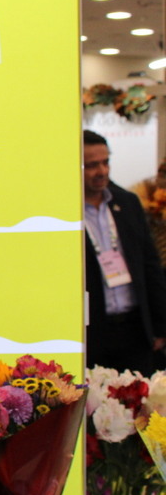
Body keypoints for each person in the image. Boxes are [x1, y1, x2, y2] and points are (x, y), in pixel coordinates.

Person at [83, 129, 166, 374]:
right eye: (92, 165)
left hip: (134, 330)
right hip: (92, 332)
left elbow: (149, 265)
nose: (102, 171)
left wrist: (160, 326)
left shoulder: (127, 202)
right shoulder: (65, 212)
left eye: (106, 162)